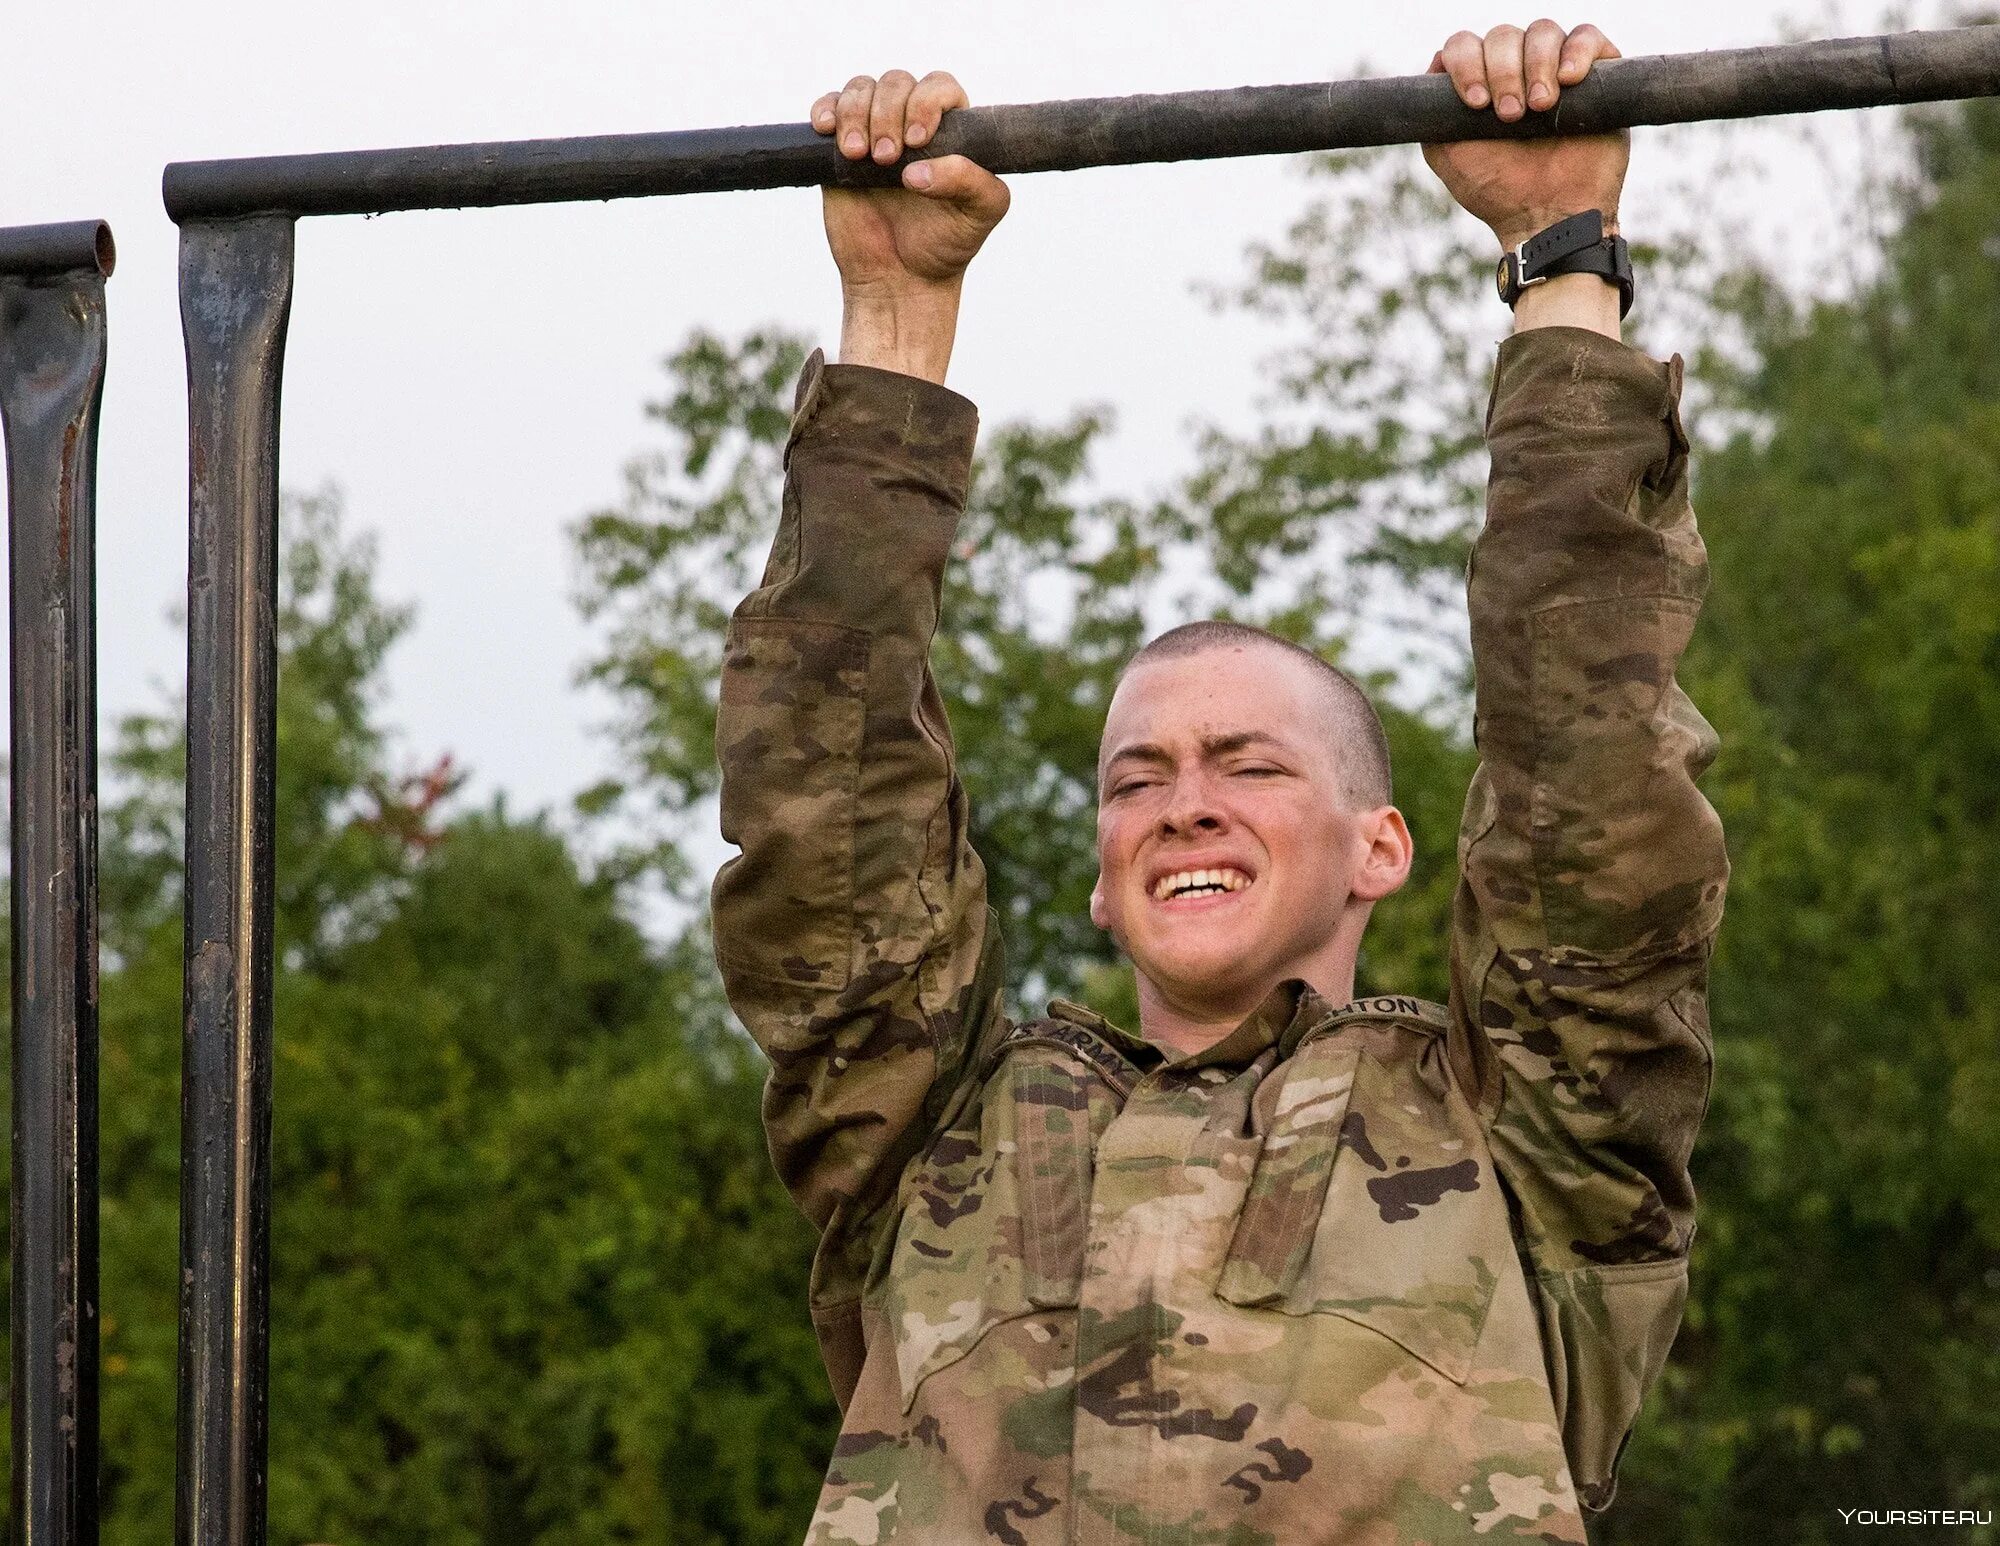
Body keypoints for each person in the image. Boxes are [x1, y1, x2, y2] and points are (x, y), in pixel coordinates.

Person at [711, 20, 1727, 1543]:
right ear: (1102, 877)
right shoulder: (937, 1131)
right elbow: (825, 803)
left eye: (1249, 763)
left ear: (1380, 843)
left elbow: (1588, 768)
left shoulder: (1522, 1134)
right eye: (1139, 778)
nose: (1185, 800)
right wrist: (896, 309)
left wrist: (1559, 249)